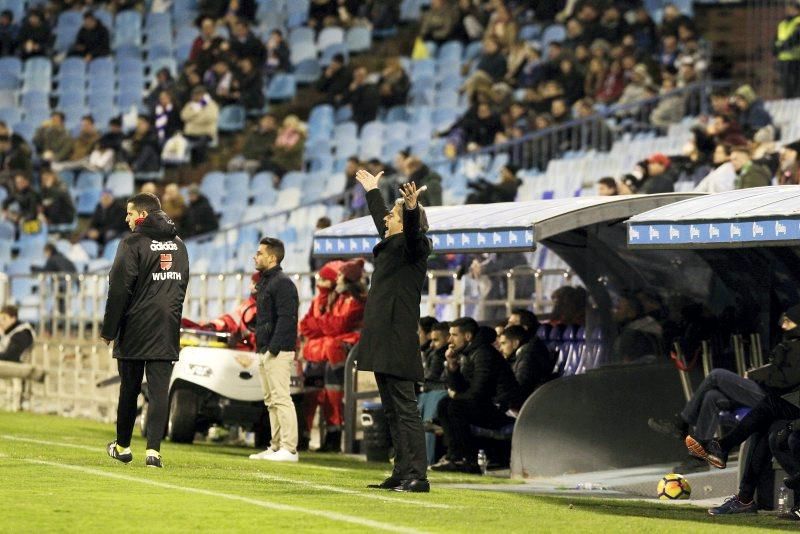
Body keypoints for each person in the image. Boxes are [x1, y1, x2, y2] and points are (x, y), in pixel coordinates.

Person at [354, 168, 432, 493]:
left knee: (405, 409)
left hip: (397, 339)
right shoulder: (392, 245)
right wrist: (372, 190)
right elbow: (382, 220)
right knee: (391, 410)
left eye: (393, 216)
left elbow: (412, 232)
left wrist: (411, 208)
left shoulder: (415, 247)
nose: (386, 220)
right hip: (383, 338)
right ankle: (401, 472)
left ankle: (418, 475)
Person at [102, 192, 190, 469]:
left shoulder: (132, 243)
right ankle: (154, 453)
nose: (126, 219)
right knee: (159, 391)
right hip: (166, 327)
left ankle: (122, 447)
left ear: (141, 215)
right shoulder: (180, 245)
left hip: (135, 326)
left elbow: (119, 288)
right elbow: (181, 287)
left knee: (129, 389)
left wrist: (110, 329)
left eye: (129, 214)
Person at [687, 304, 800, 515]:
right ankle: (744, 499)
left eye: (788, 322)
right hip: (789, 406)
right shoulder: (789, 346)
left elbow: (783, 381)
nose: (783, 326)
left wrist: (761, 375)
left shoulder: (794, 348)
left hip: (789, 406)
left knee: (769, 406)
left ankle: (721, 446)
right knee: (764, 429)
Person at [432, 318, 522, 474]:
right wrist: (452, 366)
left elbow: (478, 392)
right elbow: (462, 388)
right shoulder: (469, 353)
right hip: (486, 405)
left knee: (454, 407)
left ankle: (468, 460)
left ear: (467, 336)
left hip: (502, 409)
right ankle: (455, 457)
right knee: (444, 404)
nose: (450, 340)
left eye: (454, 335)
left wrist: (457, 396)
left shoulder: (484, 354)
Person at [300, 259, 366, 452]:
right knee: (313, 392)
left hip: (342, 356)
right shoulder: (336, 298)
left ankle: (333, 438)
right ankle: (311, 436)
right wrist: (326, 326)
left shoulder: (356, 301)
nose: (336, 278)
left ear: (347, 278)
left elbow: (337, 326)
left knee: (333, 394)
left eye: (339, 275)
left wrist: (322, 324)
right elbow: (306, 326)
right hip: (328, 354)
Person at [648, 368, 765, 473]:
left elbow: (779, 376)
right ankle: (698, 457)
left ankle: (682, 423)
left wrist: (761, 373)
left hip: (770, 394)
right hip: (759, 386)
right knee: (711, 396)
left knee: (716, 375)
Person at [249, 237, 300, 462]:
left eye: (259, 253)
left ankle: (289, 448)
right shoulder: (268, 282)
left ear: (272, 257)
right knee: (271, 400)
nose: (255, 256)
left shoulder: (282, 283)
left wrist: (274, 348)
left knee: (281, 398)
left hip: (277, 350)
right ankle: (276, 445)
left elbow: (287, 319)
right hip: (265, 349)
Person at [499, 324, 556, 402]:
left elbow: (520, 387)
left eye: (503, 343)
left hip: (532, 402)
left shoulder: (528, 357)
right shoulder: (523, 354)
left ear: (515, 343)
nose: (501, 349)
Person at [419, 320, 449, 465]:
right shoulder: (433, 353)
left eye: (436, 340)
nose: (432, 344)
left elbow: (433, 379)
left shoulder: (439, 355)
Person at [775, 1, 800, 99]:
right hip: (783, 60)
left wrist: (782, 46)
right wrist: (775, 48)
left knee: (796, 87)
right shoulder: (782, 23)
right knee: (786, 86)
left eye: (791, 7)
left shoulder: (798, 21)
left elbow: (796, 38)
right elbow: (776, 38)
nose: (788, 10)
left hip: (796, 59)